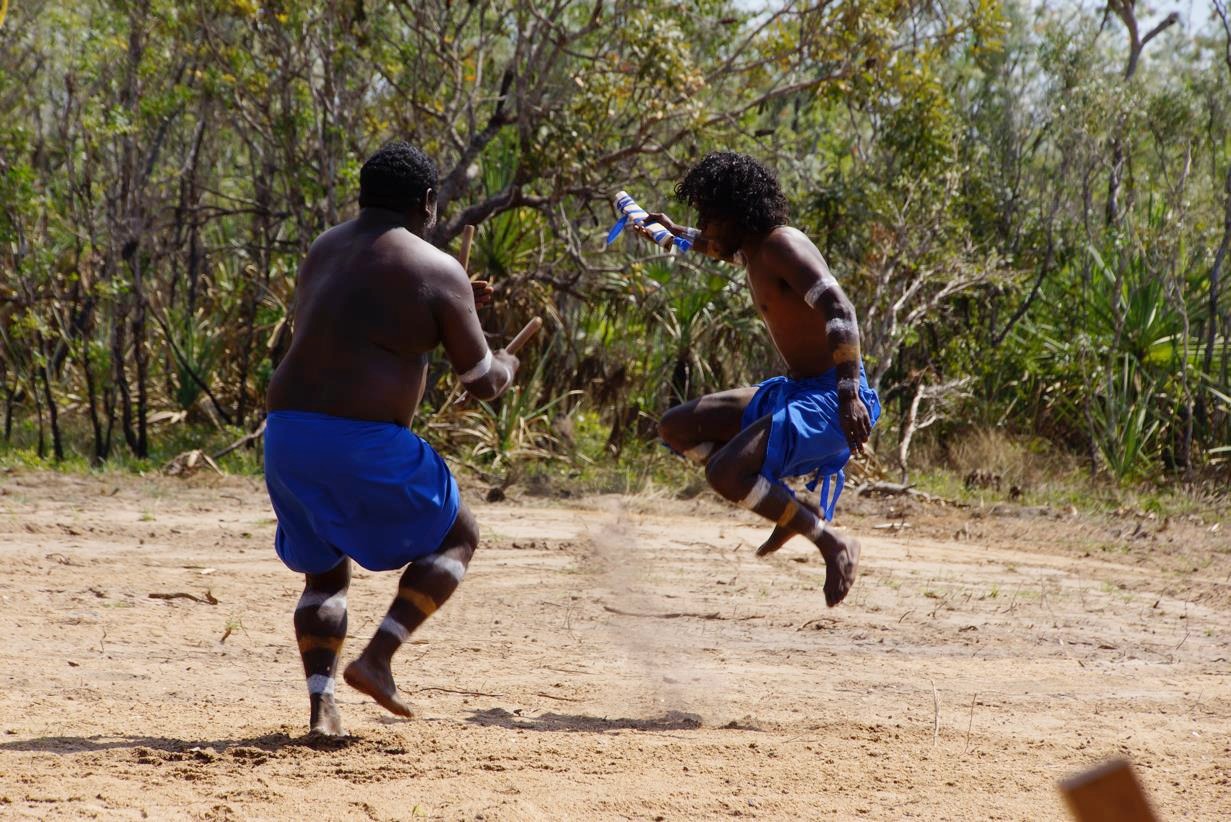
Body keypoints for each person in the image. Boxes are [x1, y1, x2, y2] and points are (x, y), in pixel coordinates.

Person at [263, 141, 520, 736]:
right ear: (428, 202)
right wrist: (504, 357)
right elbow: (481, 382)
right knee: (458, 535)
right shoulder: (436, 268)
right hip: (359, 439)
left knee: (325, 573)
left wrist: (458, 307)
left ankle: (322, 708)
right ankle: (377, 660)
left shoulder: (325, 247)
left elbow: (364, 322)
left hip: (287, 433)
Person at [637, 151, 881, 607]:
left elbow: (840, 309)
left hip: (830, 400)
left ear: (736, 212)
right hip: (798, 392)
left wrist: (849, 395)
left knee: (726, 471)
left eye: (709, 216)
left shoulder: (781, 244)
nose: (705, 226)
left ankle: (830, 540)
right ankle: (791, 504)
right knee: (676, 427)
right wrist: (675, 234)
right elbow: (715, 247)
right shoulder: (752, 249)